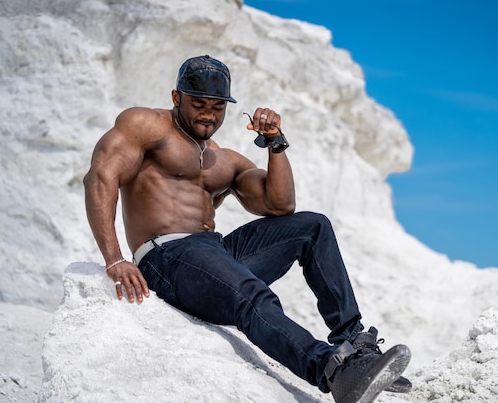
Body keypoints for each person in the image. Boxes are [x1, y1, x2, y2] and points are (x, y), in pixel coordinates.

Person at [83, 55, 411, 403]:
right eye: (198, 104)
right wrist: (114, 258)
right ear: (176, 97)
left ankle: (356, 345)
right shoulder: (146, 125)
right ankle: (335, 372)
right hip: (166, 258)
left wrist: (275, 142)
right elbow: (100, 176)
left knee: (313, 227)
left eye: (217, 107)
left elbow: (279, 205)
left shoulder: (224, 160)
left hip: (214, 252)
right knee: (250, 292)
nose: (208, 114)